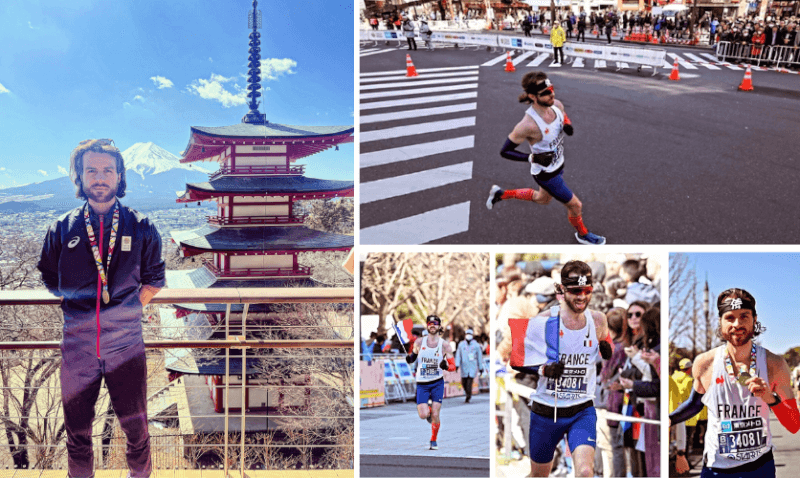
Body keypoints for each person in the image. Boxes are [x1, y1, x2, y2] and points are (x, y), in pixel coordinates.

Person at [37, 139, 165, 478]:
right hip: (78, 349)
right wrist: (77, 307)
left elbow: (154, 280)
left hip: (127, 348)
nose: (100, 177)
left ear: (120, 177)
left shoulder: (142, 226)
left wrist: (126, 311)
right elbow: (49, 276)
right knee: (77, 434)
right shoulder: (62, 228)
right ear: (79, 177)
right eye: (91, 170)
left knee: (136, 432)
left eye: (107, 170)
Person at [670, 288, 800, 477]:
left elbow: (794, 424)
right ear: (720, 322)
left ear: (755, 319)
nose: (737, 324)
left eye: (744, 316)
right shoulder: (705, 363)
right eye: (730, 317)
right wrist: (669, 420)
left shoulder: (774, 364)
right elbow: (695, 405)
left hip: (759, 467)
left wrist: (770, 398)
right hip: (716, 469)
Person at [508, 260, 612, 477]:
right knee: (540, 475)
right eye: (575, 291)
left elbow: (607, 345)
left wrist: (606, 348)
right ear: (562, 290)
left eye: (587, 291)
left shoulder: (599, 320)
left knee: (585, 472)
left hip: (581, 410)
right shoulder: (545, 321)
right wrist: (543, 370)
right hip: (547, 411)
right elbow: (516, 360)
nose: (582, 297)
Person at [486, 72, 607, 245]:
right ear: (532, 97)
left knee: (541, 199)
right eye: (545, 93)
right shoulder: (527, 125)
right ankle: (583, 234)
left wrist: (567, 124)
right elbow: (505, 151)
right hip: (546, 174)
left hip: (558, 165)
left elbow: (563, 115)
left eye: (551, 89)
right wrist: (532, 157)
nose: (552, 95)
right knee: (575, 205)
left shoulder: (556, 105)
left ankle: (500, 194)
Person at [405, 315, 456, 450]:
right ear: (427, 326)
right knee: (423, 415)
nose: (432, 325)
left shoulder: (445, 345)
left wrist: (446, 366)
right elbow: (413, 357)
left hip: (437, 383)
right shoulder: (419, 343)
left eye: (435, 323)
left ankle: (433, 439)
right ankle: (428, 411)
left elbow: (453, 367)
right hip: (422, 383)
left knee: (436, 413)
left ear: (439, 327)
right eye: (429, 323)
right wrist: (409, 359)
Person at [456, 328, 485, 403]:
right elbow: (458, 355)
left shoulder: (476, 345)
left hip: (472, 366)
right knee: (464, 382)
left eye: (470, 334)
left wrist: (481, 367)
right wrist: (457, 365)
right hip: (464, 366)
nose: (468, 336)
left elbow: (479, 357)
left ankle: (468, 396)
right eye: (467, 334)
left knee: (469, 382)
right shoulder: (461, 345)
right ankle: (467, 393)